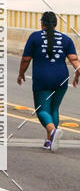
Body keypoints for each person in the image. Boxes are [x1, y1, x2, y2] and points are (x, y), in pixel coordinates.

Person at [17, 11, 80, 150]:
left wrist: (21, 74)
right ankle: (49, 141)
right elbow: (74, 60)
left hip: (42, 77)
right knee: (54, 109)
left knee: (41, 110)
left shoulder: (34, 37)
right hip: (62, 78)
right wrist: (77, 73)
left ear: (42, 23)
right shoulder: (66, 39)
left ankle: (52, 131)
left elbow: (26, 59)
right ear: (56, 24)